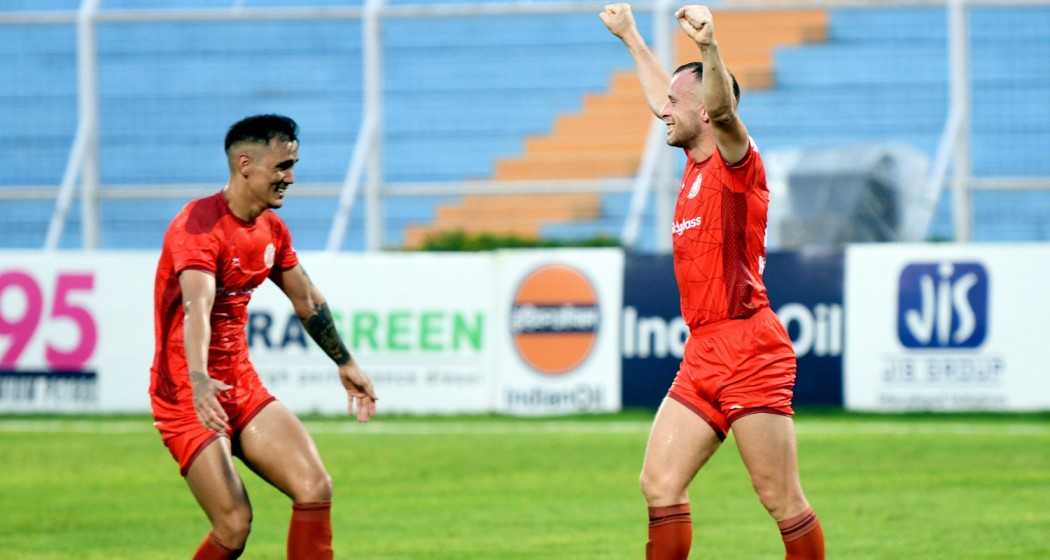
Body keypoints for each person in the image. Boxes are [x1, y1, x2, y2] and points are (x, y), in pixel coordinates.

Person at [600, 5, 825, 559]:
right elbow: (670, 99)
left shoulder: (735, 163)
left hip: (751, 348)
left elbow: (721, 110)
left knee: (780, 498)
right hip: (704, 350)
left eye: (677, 106)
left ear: (704, 115)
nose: (663, 113)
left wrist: (710, 47)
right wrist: (631, 36)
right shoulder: (694, 161)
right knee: (659, 484)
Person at [149, 114, 378, 559]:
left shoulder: (272, 229)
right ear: (245, 163)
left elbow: (307, 300)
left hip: (240, 386)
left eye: (293, 165)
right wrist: (198, 380)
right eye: (282, 167)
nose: (290, 177)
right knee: (234, 525)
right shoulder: (196, 226)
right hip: (186, 392)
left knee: (314, 487)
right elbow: (198, 308)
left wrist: (345, 363)